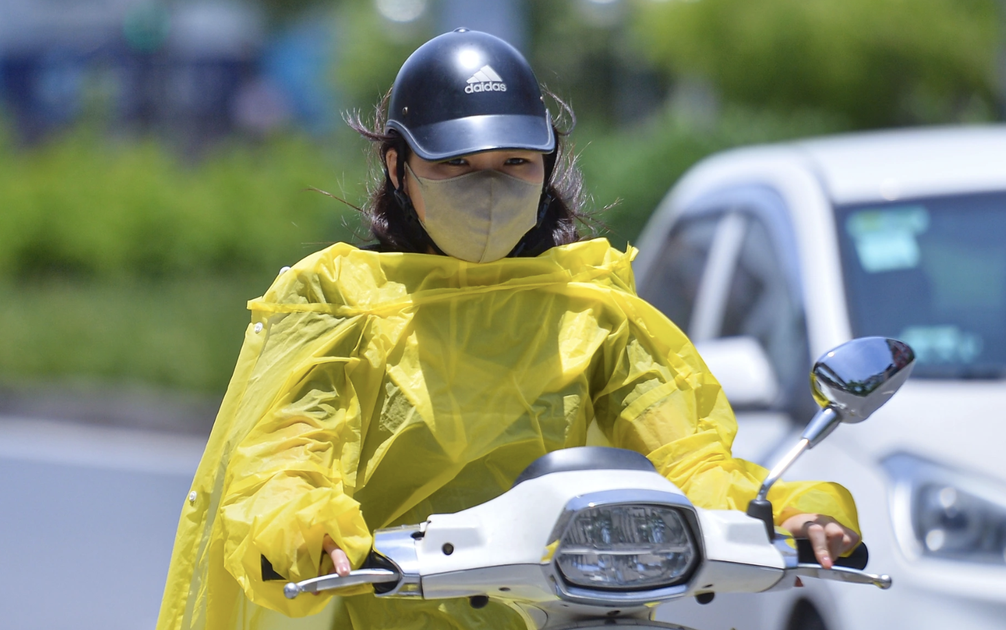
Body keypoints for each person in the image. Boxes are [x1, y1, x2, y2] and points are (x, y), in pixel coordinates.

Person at [156, 29, 860, 630]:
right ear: (398, 166)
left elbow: (692, 462)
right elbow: (284, 460)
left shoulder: (594, 308)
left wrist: (783, 512)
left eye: (514, 162)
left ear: (545, 165)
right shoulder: (339, 304)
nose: (488, 185)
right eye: (457, 164)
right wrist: (303, 525)